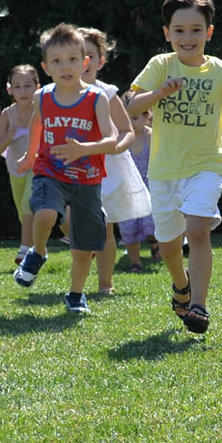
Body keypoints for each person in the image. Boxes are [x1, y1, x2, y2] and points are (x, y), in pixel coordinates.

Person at [127, 0, 222, 334]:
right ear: (167, 33)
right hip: (164, 172)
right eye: (179, 31)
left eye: (196, 30)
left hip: (206, 166)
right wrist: (158, 93)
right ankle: (181, 285)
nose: (188, 38)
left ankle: (199, 306)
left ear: (210, 32)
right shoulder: (160, 64)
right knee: (170, 246)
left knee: (198, 229)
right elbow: (132, 106)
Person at [14, 24, 116, 314]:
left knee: (83, 246)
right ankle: (39, 251)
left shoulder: (97, 98)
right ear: (46, 67)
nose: (66, 67)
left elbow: (110, 141)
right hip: (51, 171)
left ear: (85, 63)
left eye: (72, 59)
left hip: (88, 179)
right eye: (57, 61)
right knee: (46, 213)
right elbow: (36, 122)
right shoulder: (42, 97)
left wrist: (83, 149)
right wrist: (31, 155)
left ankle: (75, 294)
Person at [80, 27, 152, 295]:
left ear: (101, 61)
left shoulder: (106, 93)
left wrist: (115, 148)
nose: (84, 63)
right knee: (73, 222)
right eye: (78, 56)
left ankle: (105, 284)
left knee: (105, 227)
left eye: (90, 56)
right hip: (71, 168)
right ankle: (79, 269)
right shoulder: (58, 94)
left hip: (106, 169)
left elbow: (126, 130)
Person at [0, 64, 40, 266]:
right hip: (15, 169)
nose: (23, 91)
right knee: (24, 214)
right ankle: (36, 249)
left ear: (37, 87)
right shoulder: (7, 114)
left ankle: (23, 251)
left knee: (28, 203)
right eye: (17, 86)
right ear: (9, 89)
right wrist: (9, 136)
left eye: (27, 86)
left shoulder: (42, 111)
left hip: (37, 167)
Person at [117, 91, 159, 272]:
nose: (130, 124)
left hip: (150, 190)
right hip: (127, 193)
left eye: (134, 118)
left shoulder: (151, 137)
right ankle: (135, 262)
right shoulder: (120, 138)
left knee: (153, 224)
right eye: (125, 119)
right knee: (129, 229)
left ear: (146, 116)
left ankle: (156, 245)